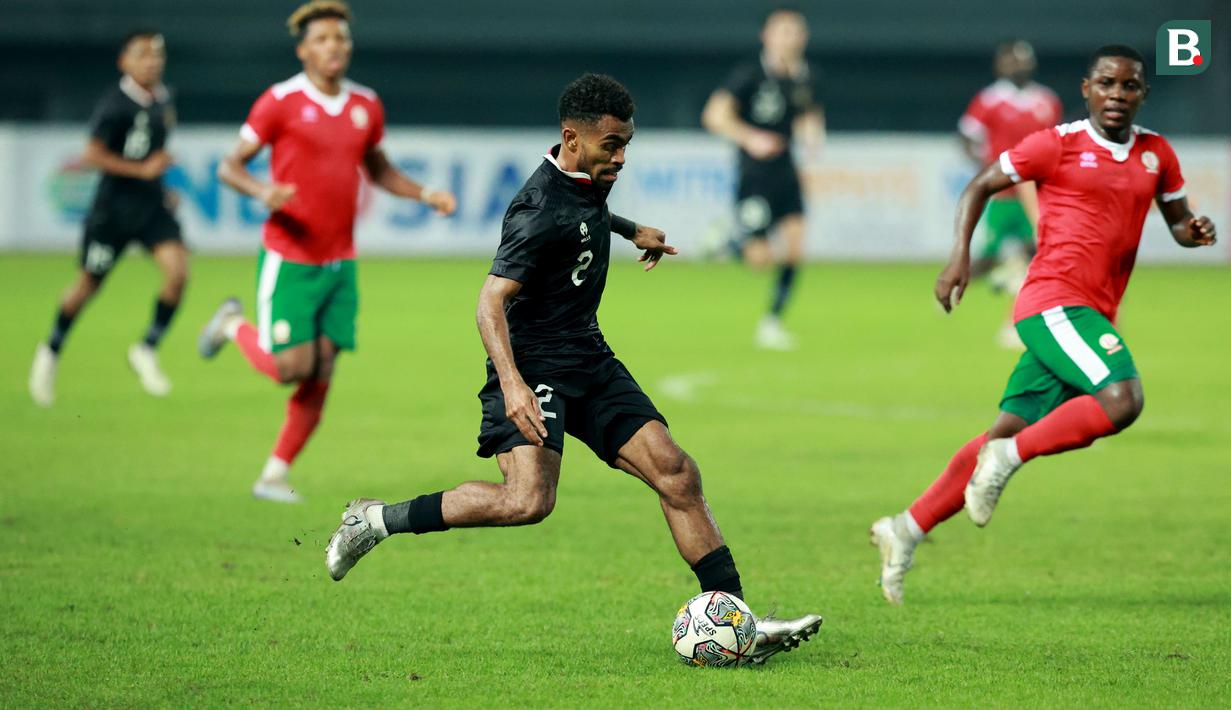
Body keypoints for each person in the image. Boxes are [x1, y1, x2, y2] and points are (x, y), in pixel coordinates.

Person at [324, 73, 822, 664]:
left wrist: (631, 228)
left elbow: (584, 214)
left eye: (626, 144)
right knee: (527, 501)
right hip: (534, 364)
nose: (621, 156)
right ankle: (375, 520)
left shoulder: (587, 176)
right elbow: (489, 301)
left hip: (588, 355)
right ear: (572, 138)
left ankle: (737, 621)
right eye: (612, 144)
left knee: (677, 473)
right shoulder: (535, 208)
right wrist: (512, 385)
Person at [870, 45, 1217, 605]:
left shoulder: (1156, 154)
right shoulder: (1056, 144)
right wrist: (960, 257)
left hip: (1090, 312)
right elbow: (982, 182)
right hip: (1053, 303)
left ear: (1143, 94)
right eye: (1107, 83)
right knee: (1123, 398)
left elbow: (1178, 222)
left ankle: (904, 528)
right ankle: (1009, 460)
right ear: (1086, 88)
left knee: (1000, 432)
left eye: (1130, 86)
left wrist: (1194, 231)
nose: (1117, 95)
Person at [197, 0, 457, 502]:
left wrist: (425, 194)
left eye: (340, 37)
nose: (333, 46)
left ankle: (273, 474)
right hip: (290, 258)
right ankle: (232, 323)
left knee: (323, 371)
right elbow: (230, 166)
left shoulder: (366, 104)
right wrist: (262, 192)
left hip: (340, 262)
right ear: (303, 50)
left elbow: (378, 170)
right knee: (290, 368)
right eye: (322, 39)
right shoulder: (279, 101)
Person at [29, 29, 186, 406]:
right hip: (111, 213)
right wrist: (142, 171)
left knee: (178, 274)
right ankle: (50, 352)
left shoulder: (165, 99)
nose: (152, 61)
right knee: (87, 286)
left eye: (157, 54)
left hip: (151, 209)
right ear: (125, 62)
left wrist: (161, 187)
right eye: (143, 54)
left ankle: (146, 349)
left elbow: (154, 151)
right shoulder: (115, 104)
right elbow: (92, 155)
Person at [702, 5, 825, 351]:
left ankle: (771, 322)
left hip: (786, 170)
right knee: (760, 260)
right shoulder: (749, 75)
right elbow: (713, 115)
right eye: (783, 31)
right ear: (767, 36)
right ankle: (730, 241)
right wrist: (750, 137)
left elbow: (809, 112)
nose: (791, 38)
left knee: (796, 249)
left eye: (796, 32)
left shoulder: (806, 76)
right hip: (754, 174)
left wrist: (813, 133)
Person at [959, 40, 1063, 348]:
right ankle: (959, 284)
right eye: (1012, 61)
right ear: (1001, 65)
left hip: (1038, 191)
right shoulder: (990, 99)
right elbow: (967, 136)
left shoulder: (1046, 100)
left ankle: (1014, 322)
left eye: (1023, 61)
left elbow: (1057, 143)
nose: (1018, 67)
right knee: (991, 256)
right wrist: (985, 167)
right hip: (1004, 192)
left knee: (1038, 254)